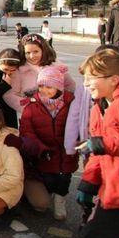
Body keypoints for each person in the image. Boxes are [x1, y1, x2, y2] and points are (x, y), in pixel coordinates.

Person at [76, 49, 119, 238]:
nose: (85, 84)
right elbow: (96, 150)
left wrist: (104, 143)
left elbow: (103, 144)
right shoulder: (99, 106)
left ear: (113, 79)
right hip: (113, 190)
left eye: (90, 78)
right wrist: (89, 182)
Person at [18, 66, 76, 221]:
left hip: (65, 151)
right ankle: (46, 193)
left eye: (49, 86)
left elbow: (78, 124)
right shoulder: (32, 106)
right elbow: (27, 131)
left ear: (58, 87)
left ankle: (60, 199)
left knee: (64, 178)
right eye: (41, 86)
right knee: (49, 179)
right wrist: (41, 148)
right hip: (44, 152)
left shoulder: (71, 103)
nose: (44, 90)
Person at [4, 33, 76, 116]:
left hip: (57, 115)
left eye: (36, 51)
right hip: (31, 117)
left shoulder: (56, 67)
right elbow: (9, 95)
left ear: (43, 50)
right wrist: (28, 108)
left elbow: (70, 86)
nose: (32, 56)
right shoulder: (19, 71)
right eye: (28, 52)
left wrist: (62, 104)